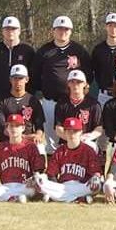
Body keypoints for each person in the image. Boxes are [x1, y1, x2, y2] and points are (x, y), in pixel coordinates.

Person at [33, 15, 91, 154]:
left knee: (74, 139)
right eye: (59, 29)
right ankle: (53, 174)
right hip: (50, 102)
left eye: (66, 29)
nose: (62, 32)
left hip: (72, 103)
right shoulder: (44, 51)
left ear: (71, 31)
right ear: (53, 31)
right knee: (52, 142)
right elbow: (35, 75)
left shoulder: (79, 50)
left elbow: (88, 74)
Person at [0, 114, 46, 202]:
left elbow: (38, 170)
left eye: (17, 126)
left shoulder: (30, 146)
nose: (14, 129)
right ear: (7, 128)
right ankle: (13, 198)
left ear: (23, 128)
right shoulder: (1, 147)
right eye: (11, 126)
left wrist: (32, 180)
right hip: (6, 187)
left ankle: (8, 197)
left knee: (36, 186)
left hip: (24, 185)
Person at [38, 117, 104, 203]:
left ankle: (55, 197)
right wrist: (55, 185)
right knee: (39, 181)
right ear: (64, 132)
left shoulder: (88, 151)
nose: (72, 134)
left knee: (97, 184)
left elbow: (95, 173)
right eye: (69, 131)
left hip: (82, 186)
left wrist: (95, 177)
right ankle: (78, 199)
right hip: (63, 186)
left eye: (75, 131)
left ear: (81, 132)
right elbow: (51, 174)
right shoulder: (60, 151)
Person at [0, 64, 45, 151]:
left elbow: (39, 126)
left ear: (26, 79)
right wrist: (24, 137)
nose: (17, 81)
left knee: (40, 148)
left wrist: (38, 135)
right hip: (7, 141)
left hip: (28, 143)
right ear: (10, 79)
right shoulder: (0, 100)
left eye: (20, 78)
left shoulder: (33, 100)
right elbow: (2, 128)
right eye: (15, 78)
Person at [0, 16, 36, 103]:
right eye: (7, 29)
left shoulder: (28, 51)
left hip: (24, 99)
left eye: (13, 28)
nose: (10, 31)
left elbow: (33, 75)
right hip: (1, 98)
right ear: (2, 31)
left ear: (19, 31)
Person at [53, 70, 104, 151]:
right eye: (72, 82)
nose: (75, 85)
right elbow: (58, 128)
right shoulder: (61, 103)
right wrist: (72, 139)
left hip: (86, 141)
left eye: (79, 82)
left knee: (92, 148)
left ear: (84, 84)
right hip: (67, 141)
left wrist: (89, 136)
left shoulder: (94, 104)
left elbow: (99, 128)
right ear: (68, 84)